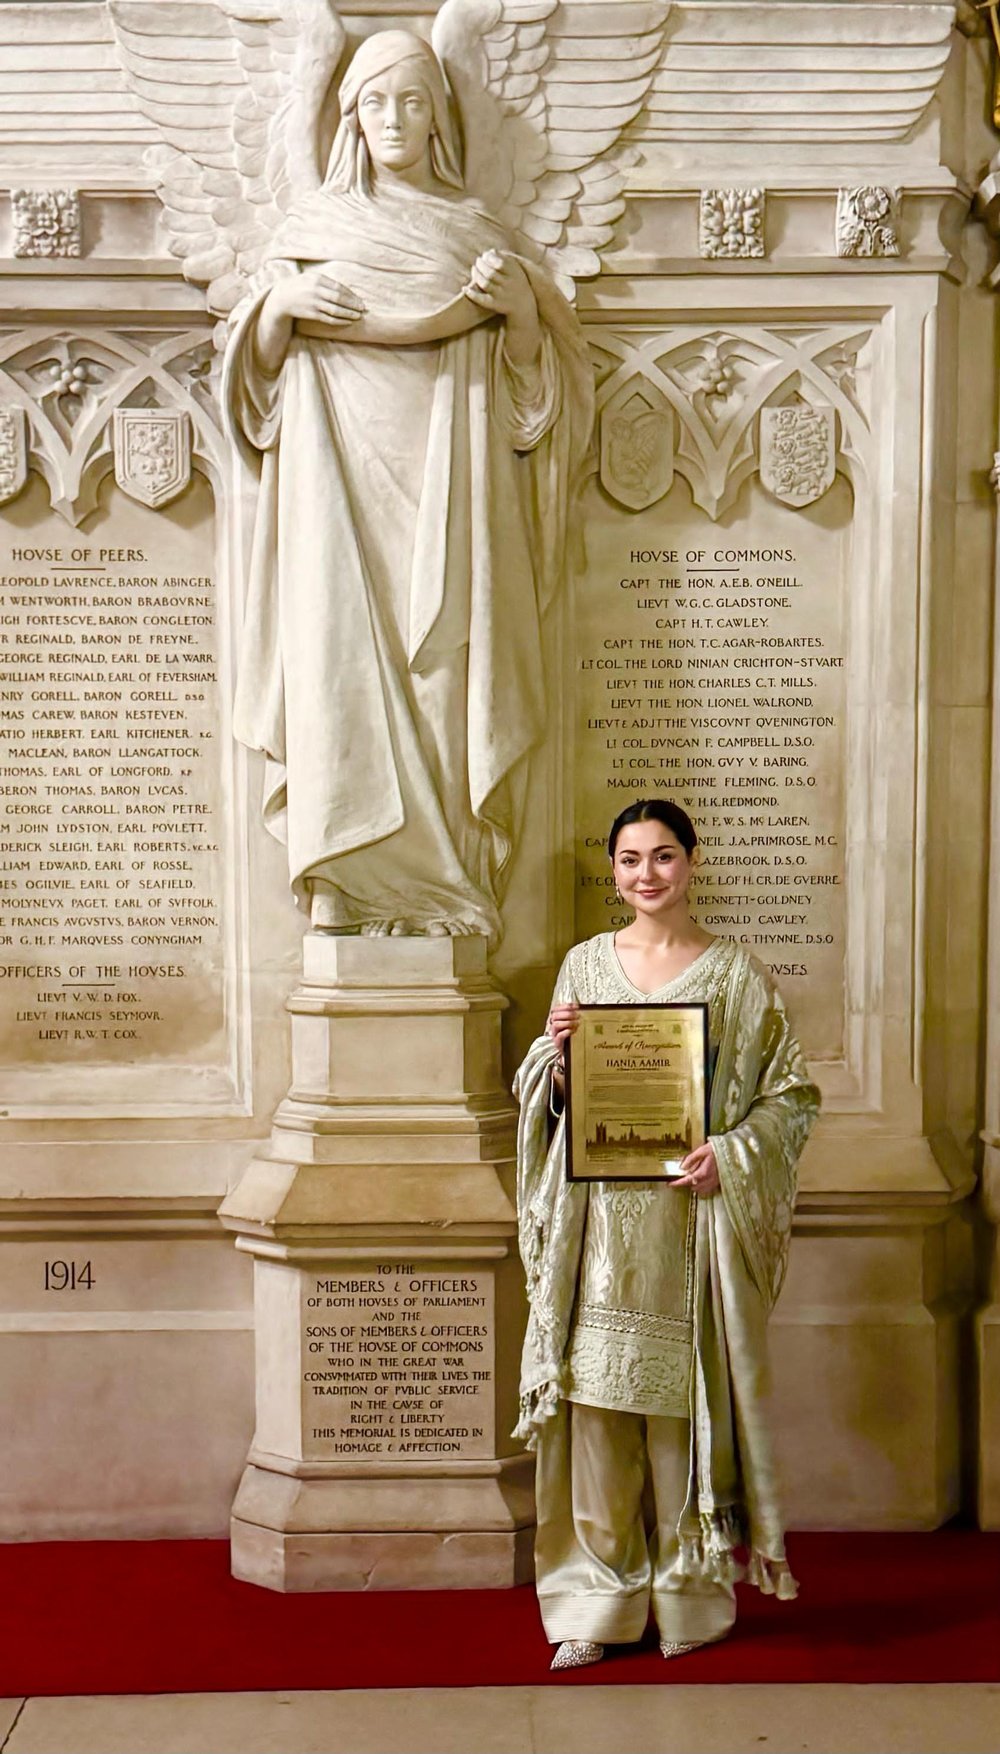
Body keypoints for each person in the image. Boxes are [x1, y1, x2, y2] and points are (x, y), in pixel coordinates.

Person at [223, 29, 593, 945]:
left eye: (414, 100)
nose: (395, 118)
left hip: (450, 484)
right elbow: (253, 399)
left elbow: (532, 407)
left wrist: (516, 316)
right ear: (350, 114)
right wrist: (280, 310)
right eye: (377, 101)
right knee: (335, 664)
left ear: (440, 116)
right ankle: (344, 880)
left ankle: (444, 881)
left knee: (443, 665)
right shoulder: (310, 239)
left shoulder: (477, 238)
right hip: (333, 484)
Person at [513, 798, 820, 1670]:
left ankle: (689, 1602)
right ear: (612, 869)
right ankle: (596, 1604)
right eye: (628, 859)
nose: (645, 875)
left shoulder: (734, 976)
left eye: (662, 857)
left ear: (691, 862)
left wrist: (731, 1151)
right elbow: (558, 1106)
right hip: (599, 1235)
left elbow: (790, 1097)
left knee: (681, 1415)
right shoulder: (582, 965)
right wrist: (558, 1060)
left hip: (689, 1235)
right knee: (599, 1411)